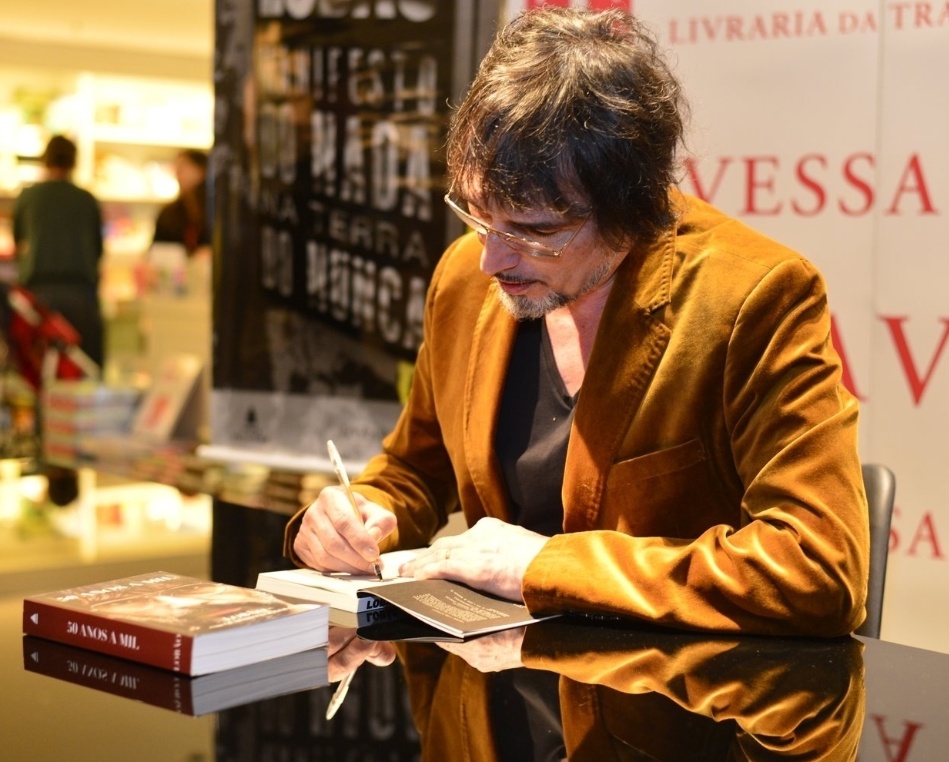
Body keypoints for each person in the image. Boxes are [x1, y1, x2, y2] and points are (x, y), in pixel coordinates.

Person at [287, 7, 869, 638]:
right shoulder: (464, 279)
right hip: (488, 701)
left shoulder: (752, 297)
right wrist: (360, 515)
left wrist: (545, 565)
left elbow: (820, 570)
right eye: (478, 215)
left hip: (670, 706)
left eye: (536, 233)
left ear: (630, 212)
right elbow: (415, 470)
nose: (491, 258)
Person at [12, 134, 105, 370]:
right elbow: (97, 248)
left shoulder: (28, 197)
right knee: (85, 370)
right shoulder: (86, 199)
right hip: (81, 295)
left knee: (38, 371)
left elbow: (19, 243)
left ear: (45, 159)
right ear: (74, 161)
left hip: (38, 295)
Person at [152, 148, 210, 256]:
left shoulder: (216, 212)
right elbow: (156, 251)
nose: (178, 173)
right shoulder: (168, 214)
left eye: (184, 167)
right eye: (177, 168)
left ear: (202, 170)